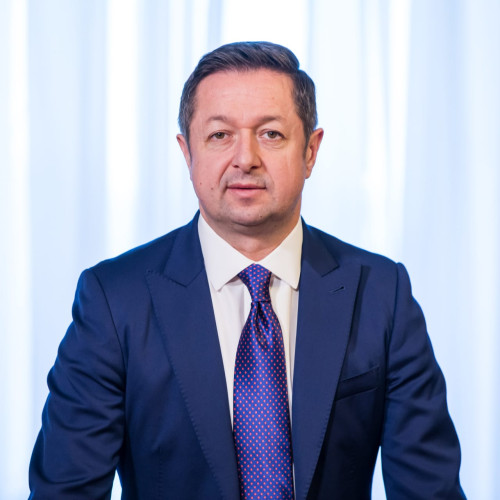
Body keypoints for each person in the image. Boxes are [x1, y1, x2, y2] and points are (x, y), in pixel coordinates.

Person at [29, 41, 465, 499]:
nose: (245, 158)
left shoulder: (381, 294)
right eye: (220, 135)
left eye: (271, 134)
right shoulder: (115, 301)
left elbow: (429, 490)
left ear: (311, 151)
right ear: (187, 152)